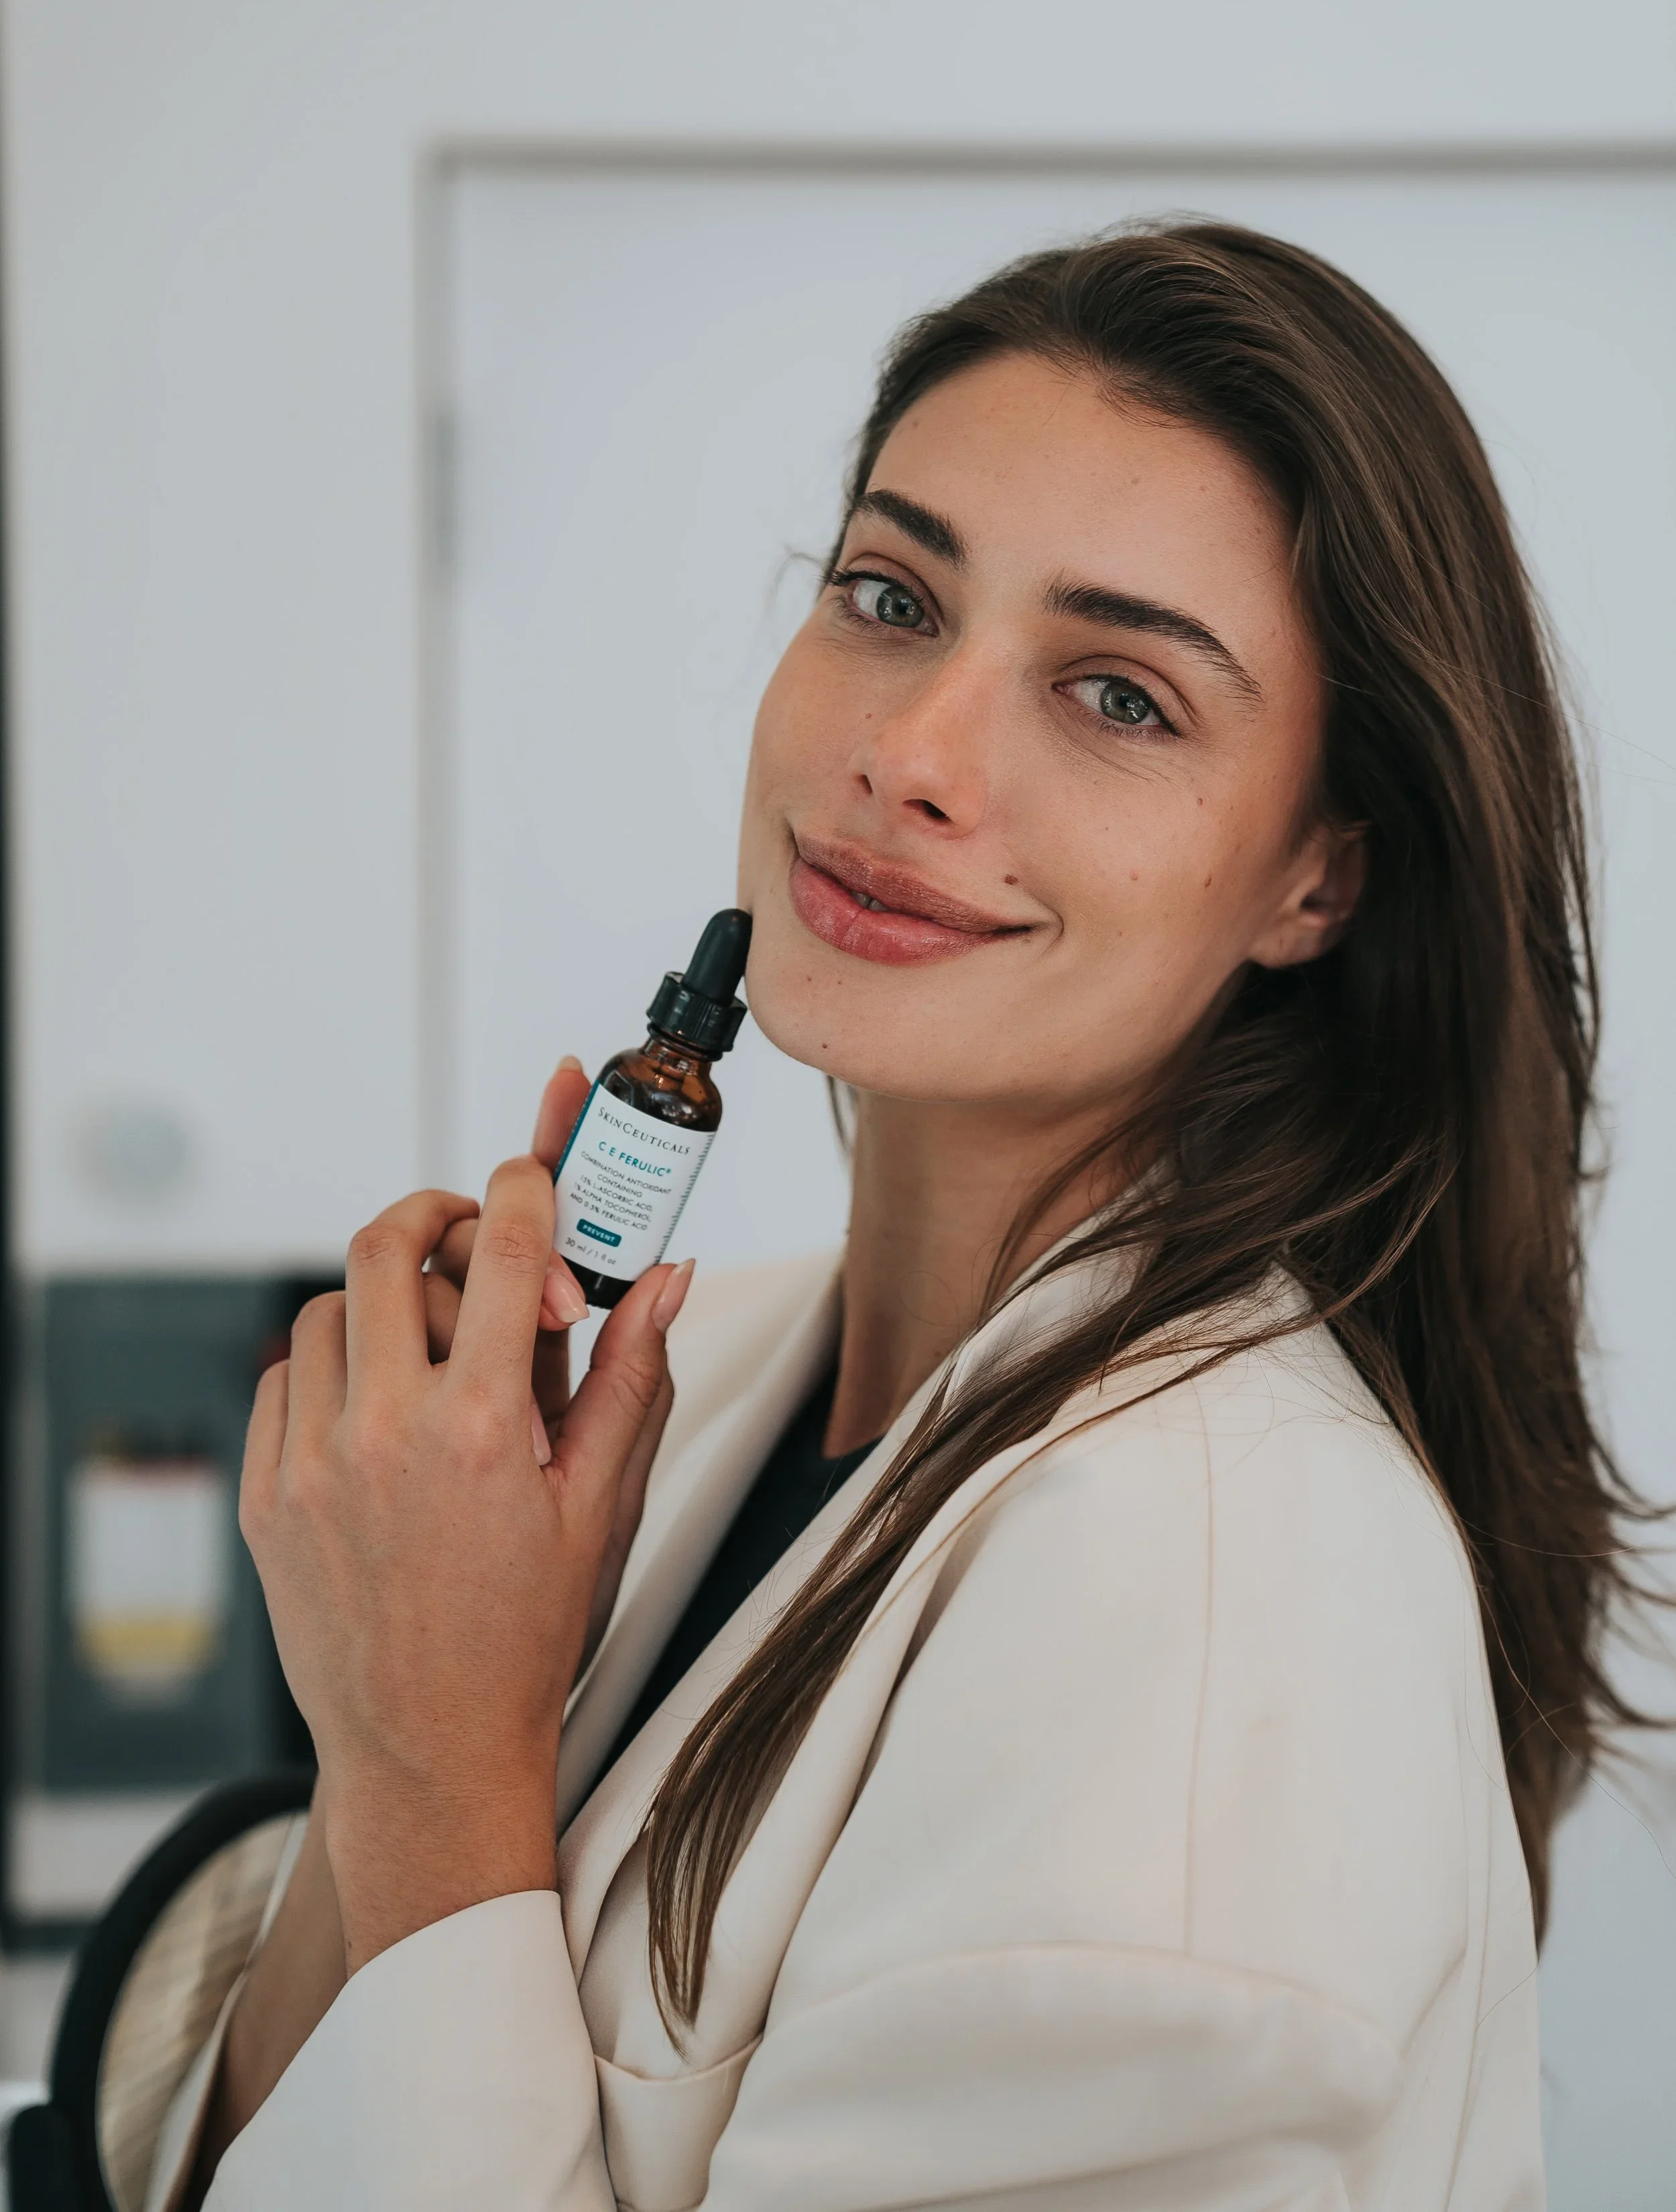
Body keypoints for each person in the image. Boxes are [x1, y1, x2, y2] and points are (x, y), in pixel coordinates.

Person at [160, 223, 1643, 2210]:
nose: (909, 754)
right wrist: (409, 1686)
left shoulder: (1201, 1620)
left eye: (1115, 696)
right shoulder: (732, 1373)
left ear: (1316, 876)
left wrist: (430, 1748)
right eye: (888, 592)